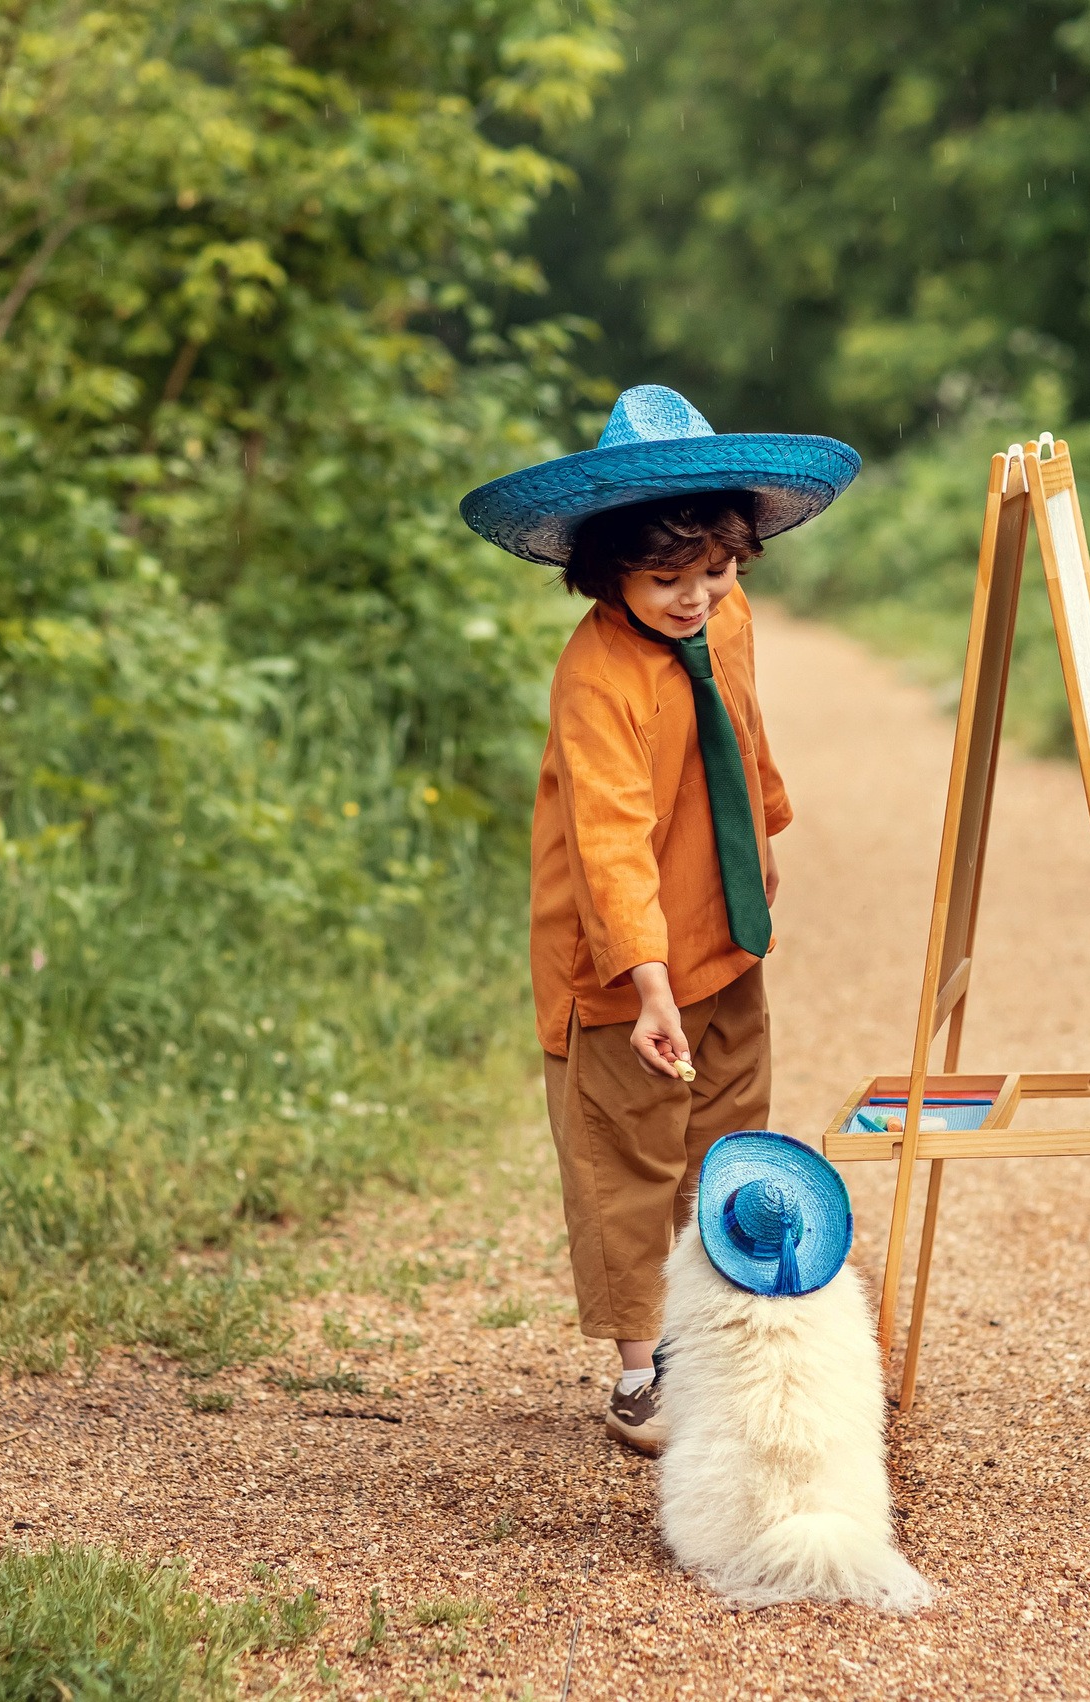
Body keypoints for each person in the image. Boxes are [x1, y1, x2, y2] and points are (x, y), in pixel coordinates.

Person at [458, 385, 859, 1452]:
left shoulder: (725, 617)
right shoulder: (598, 676)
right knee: (627, 1153)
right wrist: (643, 984)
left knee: (726, 1131)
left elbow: (745, 729)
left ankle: (713, 1334)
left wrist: (761, 839)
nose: (695, 598)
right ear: (606, 575)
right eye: (665, 579)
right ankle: (642, 1374)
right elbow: (609, 838)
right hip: (621, 958)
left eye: (714, 572)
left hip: (717, 925)